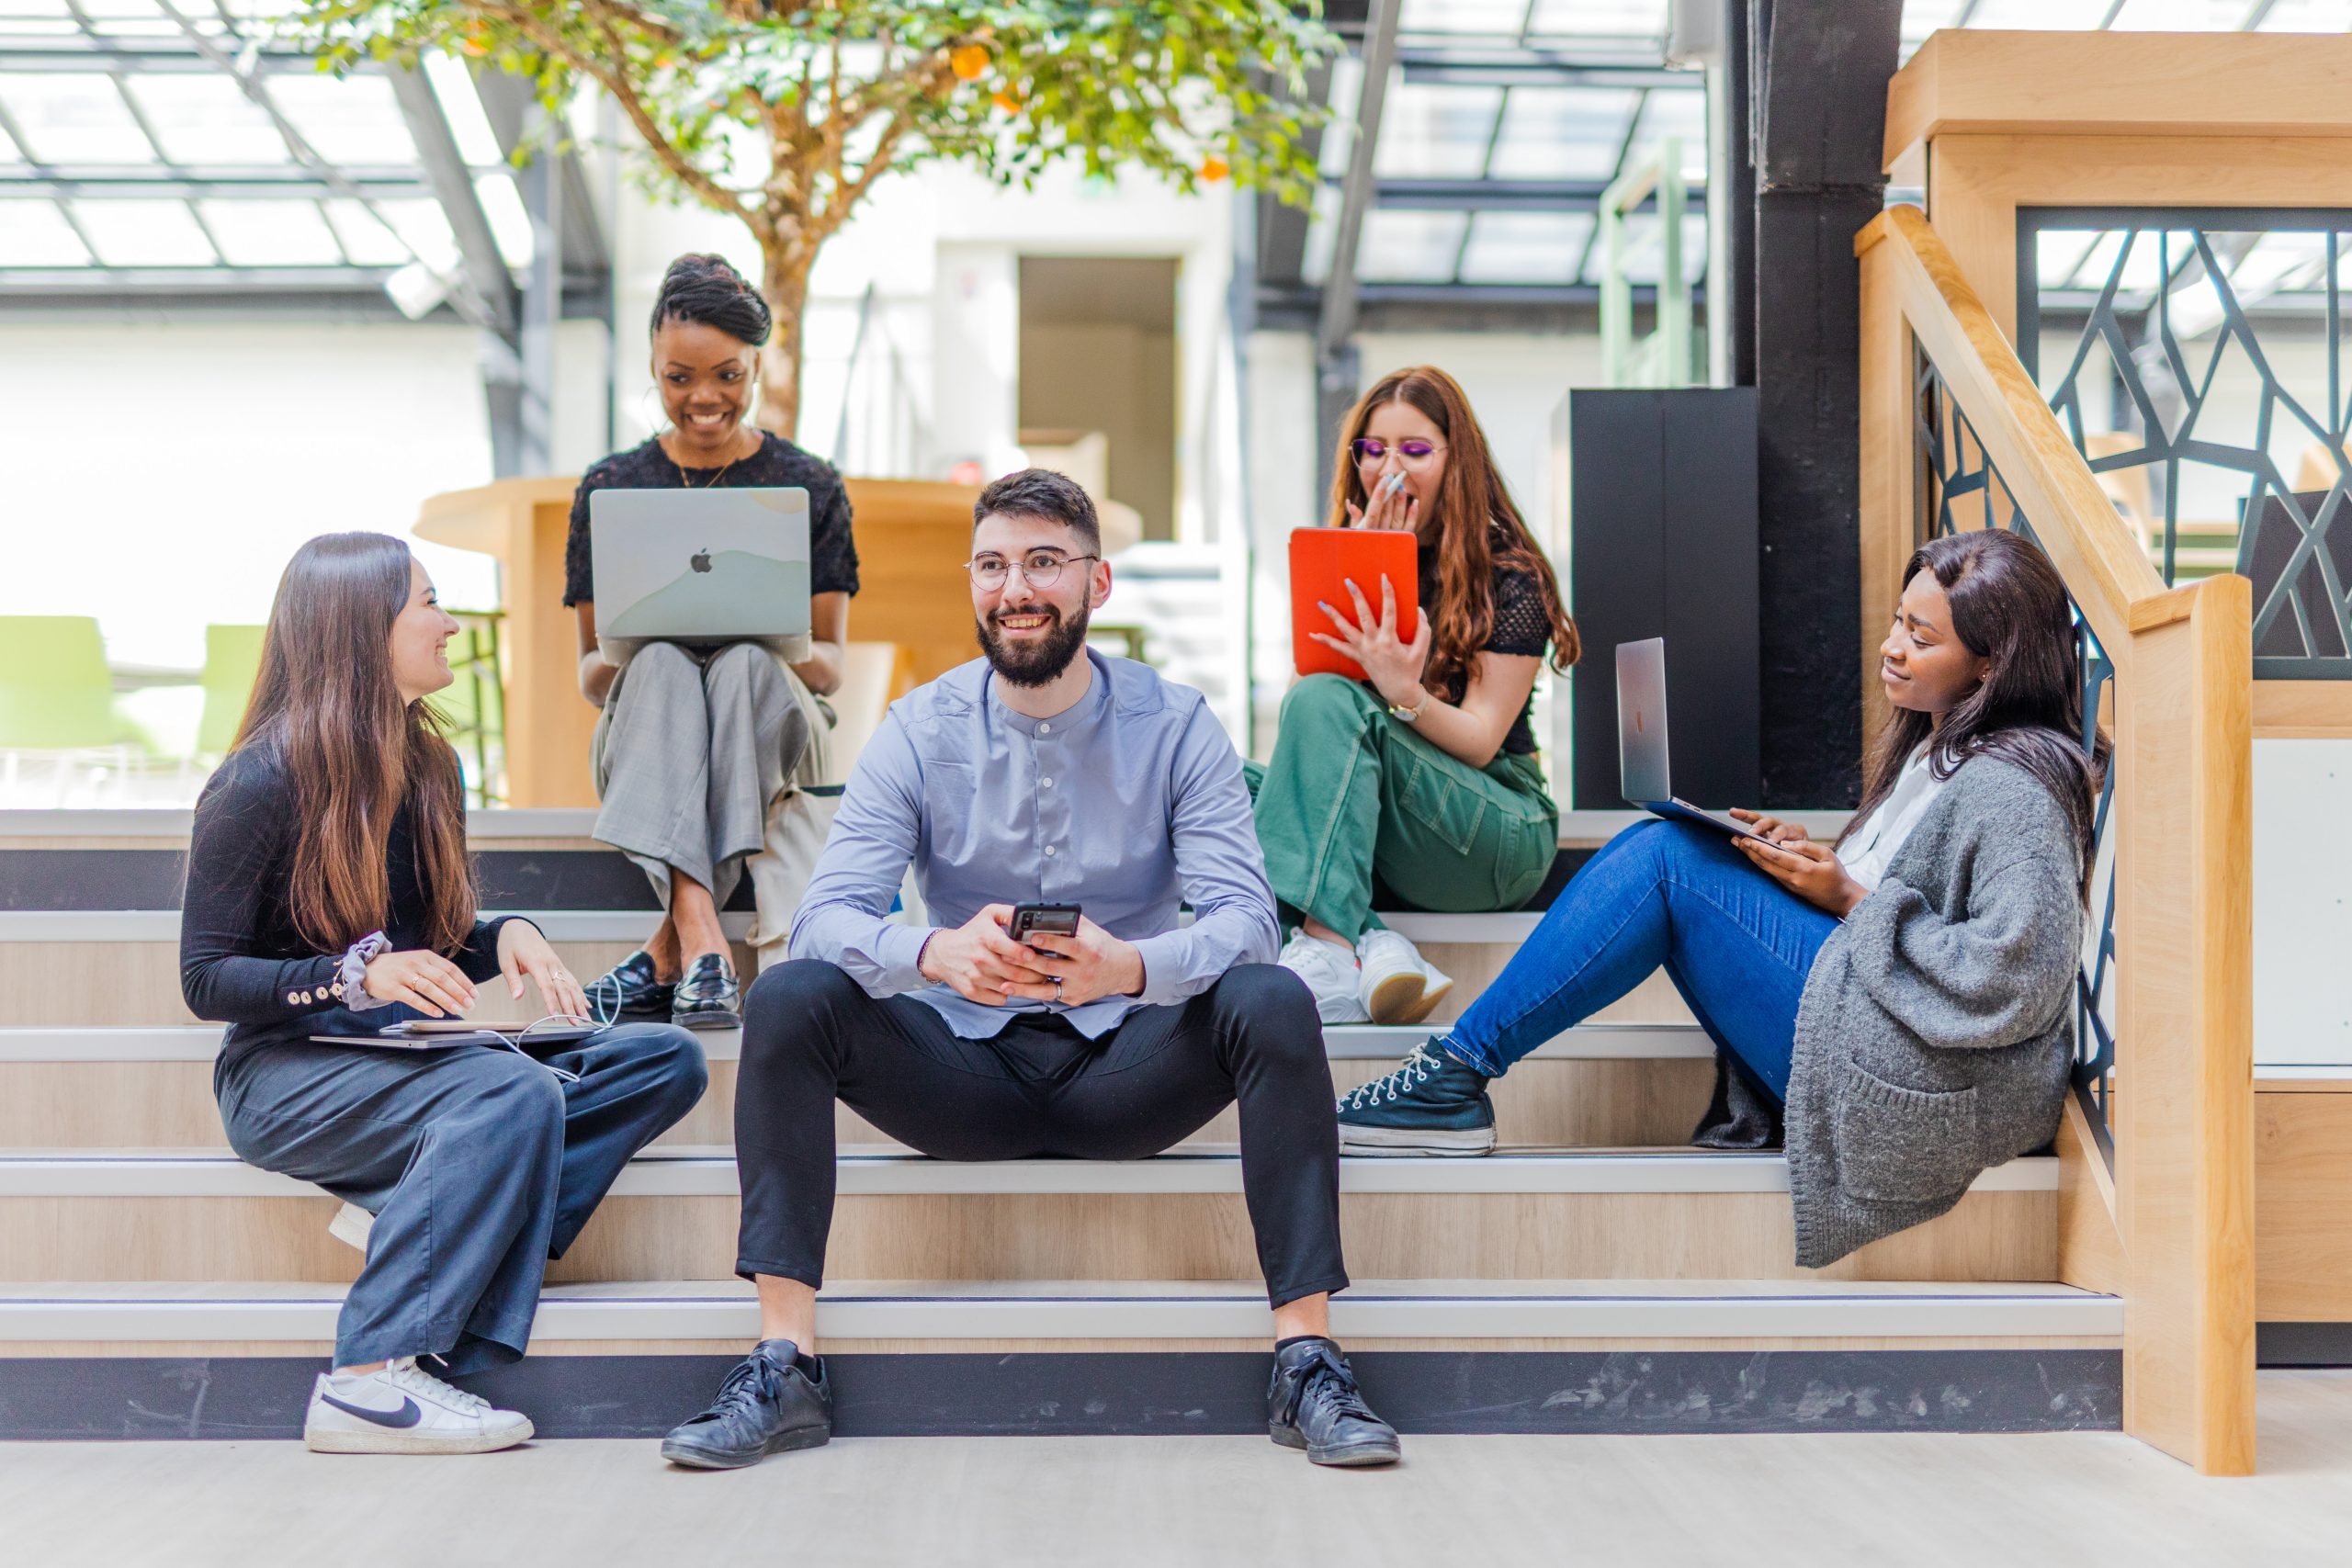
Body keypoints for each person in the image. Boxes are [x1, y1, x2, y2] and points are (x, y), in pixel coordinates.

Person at [659, 469, 1400, 1471]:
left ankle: (1307, 1360)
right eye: (996, 563)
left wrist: (1131, 969)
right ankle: (784, 1363)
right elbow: (825, 919)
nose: (1019, 586)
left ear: (1097, 584)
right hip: (959, 1073)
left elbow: (1245, 924)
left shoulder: (1178, 724)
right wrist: (933, 951)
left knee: (1271, 998)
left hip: (1127, 1073)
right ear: (973, 582)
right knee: (792, 995)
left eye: (1045, 562)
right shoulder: (918, 729)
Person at [1332, 529, 2098, 1264]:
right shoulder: (1939, 746)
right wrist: (1815, 863)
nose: (1892, 645)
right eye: (1899, 620)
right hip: (1871, 1021)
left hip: (1918, 1081)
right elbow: (1902, 893)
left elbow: (2017, 979)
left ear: (1991, 665)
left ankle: (1454, 1073)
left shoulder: (2013, 789)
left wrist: (1851, 896)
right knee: (1668, 841)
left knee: (1667, 859)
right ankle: (1454, 1071)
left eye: (1922, 638)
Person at [185, 533, 708, 1454]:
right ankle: (368, 1379)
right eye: (427, 602)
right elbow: (206, 979)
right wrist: (350, 974)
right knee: (514, 1092)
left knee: (663, 1060)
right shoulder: (256, 783)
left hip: (407, 1062)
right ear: (359, 629)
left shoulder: (429, 771)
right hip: (284, 1071)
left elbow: (430, 945)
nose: (451, 623)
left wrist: (505, 932)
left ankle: (437, 1204)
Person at [564, 252, 861, 1031]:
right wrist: (643, 644)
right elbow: (593, 672)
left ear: (758, 365)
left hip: (775, 729)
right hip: (646, 727)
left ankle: (671, 949)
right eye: (678, 377)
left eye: (729, 376)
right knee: (660, 663)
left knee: (742, 667)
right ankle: (702, 936)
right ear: (652, 368)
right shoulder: (610, 488)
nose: (704, 398)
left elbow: (829, 667)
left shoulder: (811, 484)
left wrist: (766, 638)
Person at [1251, 366, 1577, 1026]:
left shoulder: (1511, 575)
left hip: (1497, 829)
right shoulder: (1349, 553)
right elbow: (1305, 716)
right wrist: (1359, 567)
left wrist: (1405, 692)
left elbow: (1484, 739)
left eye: (1415, 450)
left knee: (1323, 712)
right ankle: (1376, 940)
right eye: (1373, 450)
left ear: (1458, 461)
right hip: (1399, 834)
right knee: (1220, 782)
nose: (1388, 468)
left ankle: (1328, 942)